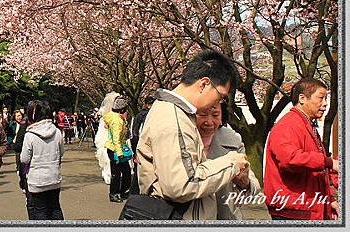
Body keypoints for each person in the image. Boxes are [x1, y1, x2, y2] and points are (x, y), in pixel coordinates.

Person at [136, 49, 249, 220]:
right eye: (221, 97)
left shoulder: (173, 112)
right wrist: (231, 162)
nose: (218, 103)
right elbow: (181, 185)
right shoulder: (173, 118)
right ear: (204, 84)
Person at [264, 78, 339, 220]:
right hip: (293, 211)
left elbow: (316, 175)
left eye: (326, 99)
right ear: (302, 98)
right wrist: (329, 162)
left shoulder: (306, 125)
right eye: (321, 98)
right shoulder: (288, 125)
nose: (325, 104)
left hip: (307, 208)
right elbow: (290, 160)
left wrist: (329, 200)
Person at [196, 101, 260, 219]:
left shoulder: (232, 140)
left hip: (225, 217)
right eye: (203, 115)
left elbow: (253, 186)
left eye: (215, 115)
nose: (209, 122)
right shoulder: (180, 139)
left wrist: (244, 182)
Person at [20, 100, 65, 220]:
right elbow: (62, 152)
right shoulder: (57, 132)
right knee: (55, 208)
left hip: (37, 180)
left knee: (40, 210)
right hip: (54, 177)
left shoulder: (30, 135)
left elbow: (24, 159)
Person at [102, 95, 132, 202]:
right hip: (115, 150)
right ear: (122, 109)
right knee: (117, 173)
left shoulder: (113, 117)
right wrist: (120, 153)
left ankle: (123, 192)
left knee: (125, 171)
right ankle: (114, 194)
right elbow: (116, 139)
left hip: (114, 148)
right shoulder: (117, 121)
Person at [130, 93, 155, 195]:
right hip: (151, 148)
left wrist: (134, 150)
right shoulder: (154, 116)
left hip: (140, 147)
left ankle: (135, 195)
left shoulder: (139, 115)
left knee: (138, 173)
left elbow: (134, 133)